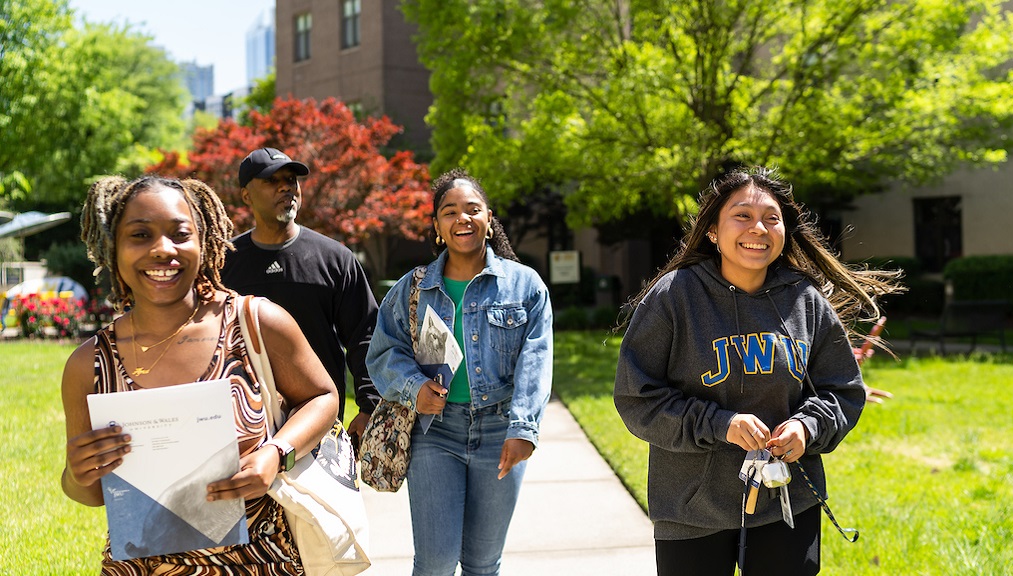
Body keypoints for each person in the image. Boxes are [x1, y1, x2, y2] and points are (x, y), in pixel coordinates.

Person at [613, 166, 902, 576]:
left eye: (772, 218)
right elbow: (635, 398)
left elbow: (843, 390)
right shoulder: (674, 297)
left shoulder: (804, 299)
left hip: (787, 501)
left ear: (784, 231)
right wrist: (720, 424)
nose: (759, 228)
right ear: (713, 230)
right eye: (743, 216)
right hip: (691, 508)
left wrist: (807, 427)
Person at [61, 175, 339, 573]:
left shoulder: (255, 323)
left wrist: (276, 455)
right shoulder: (89, 364)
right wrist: (76, 472)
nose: (162, 249)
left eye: (179, 234)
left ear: (203, 240)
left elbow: (323, 396)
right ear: (113, 248)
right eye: (140, 235)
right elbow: (89, 494)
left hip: (257, 562)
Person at [366, 168, 553, 576]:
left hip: (500, 433)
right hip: (437, 433)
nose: (461, 219)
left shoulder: (525, 286)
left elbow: (536, 361)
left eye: (472, 209)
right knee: (435, 564)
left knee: (483, 565)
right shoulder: (412, 289)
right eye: (449, 212)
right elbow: (382, 354)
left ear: (489, 220)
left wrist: (524, 429)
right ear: (437, 227)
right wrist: (415, 387)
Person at [221, 147, 380, 442]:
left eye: (291, 180)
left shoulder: (335, 259)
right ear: (246, 196)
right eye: (271, 180)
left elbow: (365, 335)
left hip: (318, 420)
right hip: (241, 421)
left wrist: (368, 405)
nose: (286, 187)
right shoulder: (224, 262)